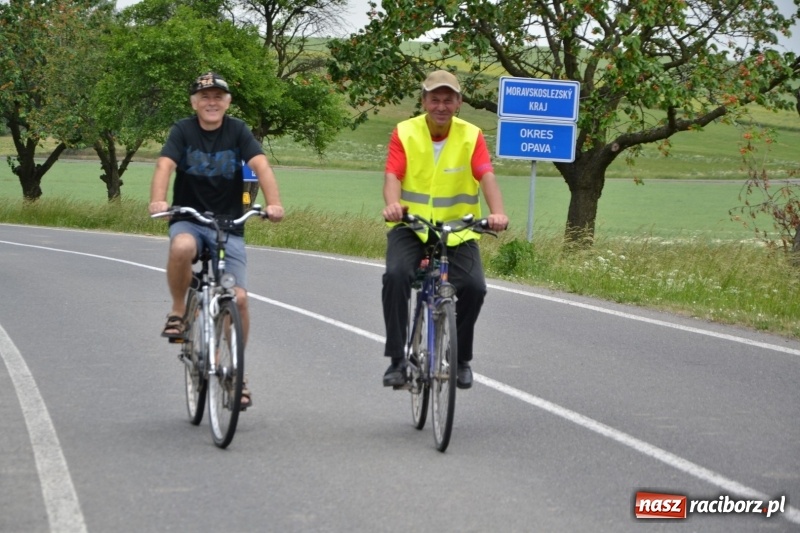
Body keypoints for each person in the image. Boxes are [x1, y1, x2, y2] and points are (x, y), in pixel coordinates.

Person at [148, 71, 284, 409]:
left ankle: (237, 371)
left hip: (229, 224)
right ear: (194, 103)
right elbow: (165, 165)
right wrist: (158, 200)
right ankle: (179, 311)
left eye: (218, 96)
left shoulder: (237, 130)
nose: (211, 102)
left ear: (227, 102)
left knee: (237, 299)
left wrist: (275, 203)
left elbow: (261, 165)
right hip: (189, 218)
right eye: (204, 96)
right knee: (181, 246)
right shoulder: (183, 130)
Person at [381, 70, 509, 390]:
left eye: (448, 99)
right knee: (396, 276)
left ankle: (461, 358)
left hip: (459, 229)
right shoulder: (405, 132)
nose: (441, 105)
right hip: (412, 226)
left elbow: (486, 175)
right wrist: (394, 205)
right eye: (434, 99)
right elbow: (393, 175)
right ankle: (397, 359)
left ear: (459, 103)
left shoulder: (471, 135)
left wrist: (498, 213)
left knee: (475, 287)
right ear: (424, 101)